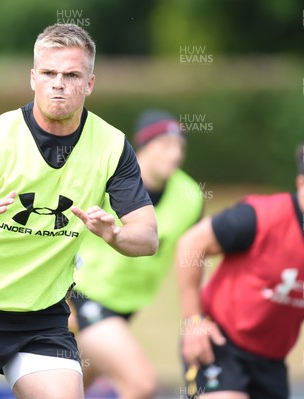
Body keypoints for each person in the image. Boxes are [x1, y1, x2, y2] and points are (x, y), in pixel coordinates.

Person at [0, 23, 158, 399]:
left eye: (72, 74)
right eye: (49, 73)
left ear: (89, 83)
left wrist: (116, 234)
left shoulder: (111, 147)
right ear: (33, 78)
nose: (59, 83)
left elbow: (148, 236)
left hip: (42, 317)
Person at [177, 136, 304, 399]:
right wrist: (193, 321)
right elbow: (190, 244)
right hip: (219, 341)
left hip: (272, 361)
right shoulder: (259, 217)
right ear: (303, 184)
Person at [69, 110, 203, 398]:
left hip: (129, 304)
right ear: (143, 146)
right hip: (85, 296)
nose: (175, 154)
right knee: (140, 383)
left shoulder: (190, 195)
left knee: (74, 386)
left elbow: (196, 250)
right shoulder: (108, 178)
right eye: (165, 145)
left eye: (180, 147)